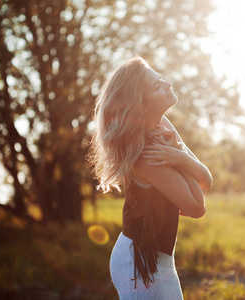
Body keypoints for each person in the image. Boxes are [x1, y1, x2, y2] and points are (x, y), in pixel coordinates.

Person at [88, 57, 212, 299]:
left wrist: (180, 156)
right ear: (142, 107)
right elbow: (197, 208)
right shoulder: (148, 157)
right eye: (157, 86)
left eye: (160, 79)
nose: (167, 84)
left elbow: (205, 180)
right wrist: (180, 160)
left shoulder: (162, 125)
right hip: (139, 264)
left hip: (156, 259)